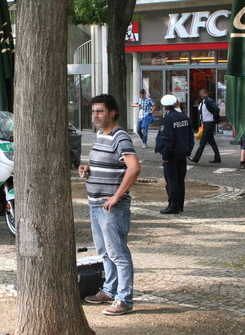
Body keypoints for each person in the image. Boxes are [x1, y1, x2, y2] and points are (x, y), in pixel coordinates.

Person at [79, 94, 141, 316]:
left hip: (112, 207)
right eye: (93, 111)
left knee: (118, 253)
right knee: (104, 252)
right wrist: (88, 170)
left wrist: (116, 196)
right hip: (96, 204)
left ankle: (124, 299)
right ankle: (109, 290)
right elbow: (106, 164)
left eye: (100, 111)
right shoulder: (99, 135)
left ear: (112, 112)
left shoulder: (119, 137)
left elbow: (133, 168)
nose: (95, 115)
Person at [155, 94, 194, 214]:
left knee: (171, 181)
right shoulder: (184, 117)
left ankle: (173, 206)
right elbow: (190, 136)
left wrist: (165, 156)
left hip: (171, 154)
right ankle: (180, 205)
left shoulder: (167, 119)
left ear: (164, 106)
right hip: (182, 152)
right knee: (180, 180)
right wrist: (188, 151)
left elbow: (166, 138)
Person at [189, 88, 221, 163]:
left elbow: (216, 109)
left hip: (209, 123)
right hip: (206, 123)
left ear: (206, 94)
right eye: (200, 94)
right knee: (212, 142)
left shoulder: (208, 101)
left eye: (202, 94)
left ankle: (196, 158)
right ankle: (217, 157)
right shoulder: (204, 101)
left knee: (203, 142)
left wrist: (214, 118)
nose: (201, 95)